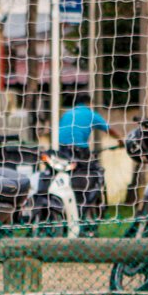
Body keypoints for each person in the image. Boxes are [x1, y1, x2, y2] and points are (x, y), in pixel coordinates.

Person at [57, 94, 125, 223]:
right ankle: (91, 204)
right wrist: (121, 140)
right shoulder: (91, 114)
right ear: (89, 103)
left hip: (62, 150)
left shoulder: (67, 114)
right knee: (97, 172)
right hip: (79, 150)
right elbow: (109, 129)